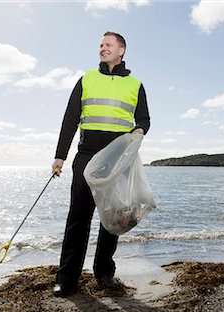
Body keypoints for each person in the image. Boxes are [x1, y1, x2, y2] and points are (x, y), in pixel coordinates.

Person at [51, 31, 151, 297]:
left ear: (121, 50)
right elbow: (70, 119)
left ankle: (104, 273)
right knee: (78, 219)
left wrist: (139, 130)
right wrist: (60, 155)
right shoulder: (87, 79)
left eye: (108, 44)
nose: (102, 48)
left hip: (117, 161)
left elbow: (144, 119)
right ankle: (67, 278)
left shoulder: (135, 85)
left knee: (113, 218)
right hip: (86, 157)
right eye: (100, 45)